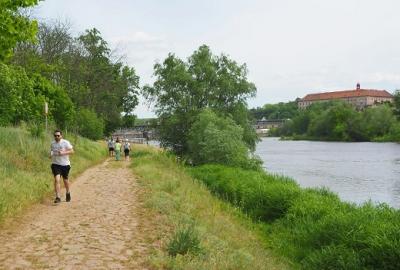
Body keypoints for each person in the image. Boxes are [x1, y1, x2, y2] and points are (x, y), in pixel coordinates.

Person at [50, 130, 74, 204]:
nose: (56, 137)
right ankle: (58, 197)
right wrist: (50, 154)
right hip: (55, 164)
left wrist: (63, 152)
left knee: (65, 180)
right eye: (55, 136)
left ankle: (68, 192)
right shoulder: (52, 143)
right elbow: (52, 151)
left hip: (65, 164)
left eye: (58, 135)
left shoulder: (65, 142)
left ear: (61, 136)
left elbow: (72, 151)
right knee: (57, 180)